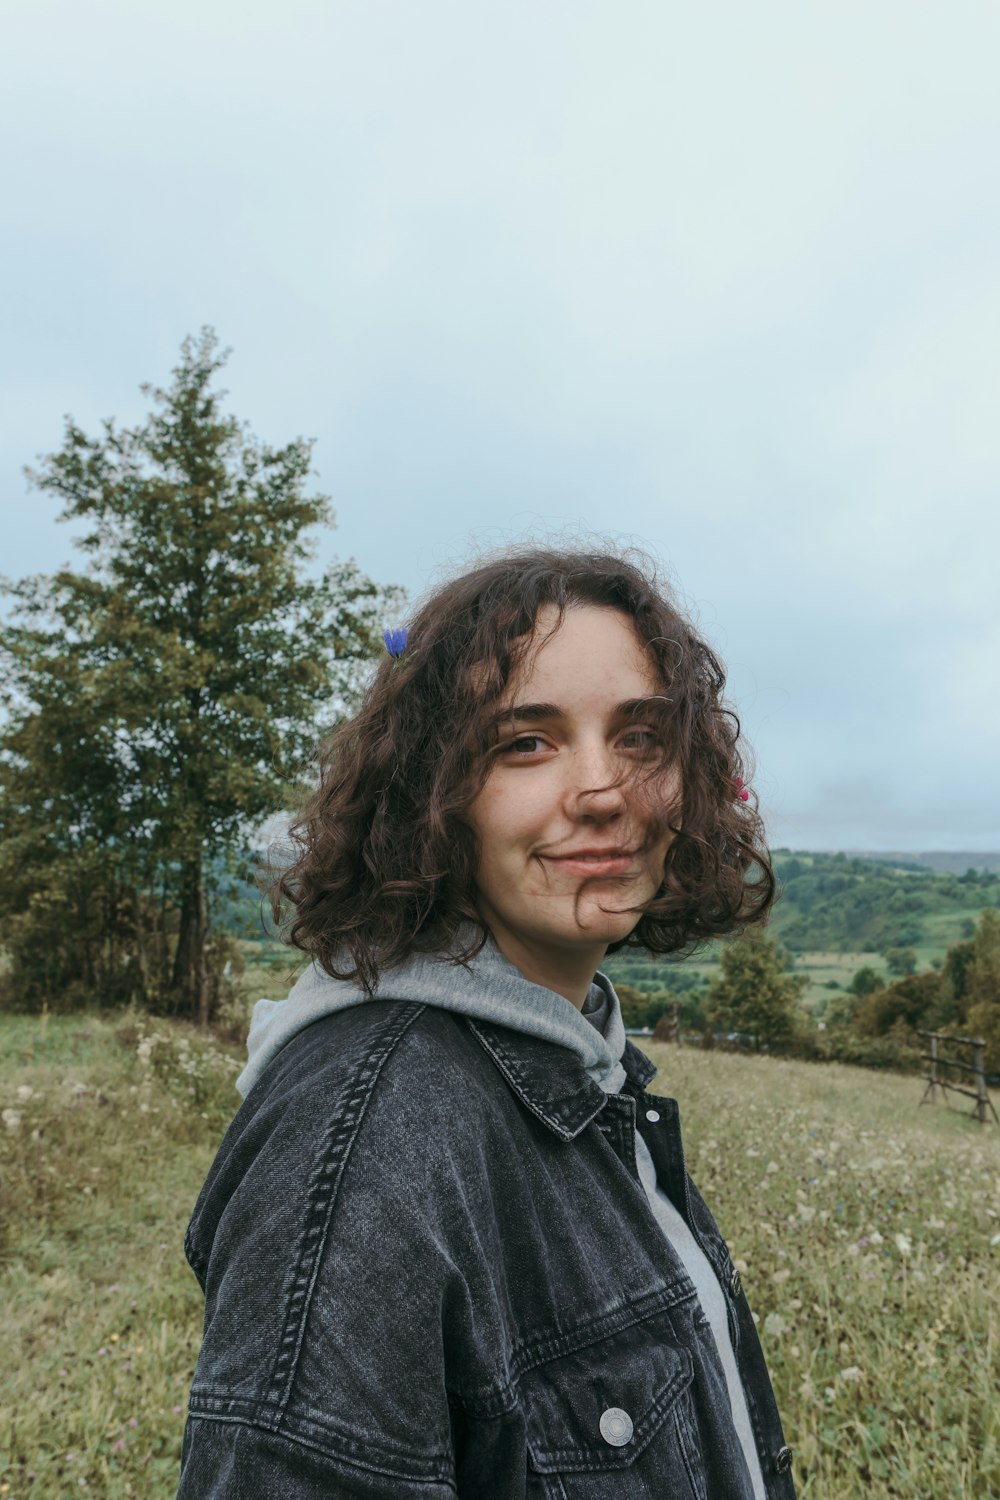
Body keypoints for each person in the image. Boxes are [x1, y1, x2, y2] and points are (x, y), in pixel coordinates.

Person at [175, 544, 797, 1498]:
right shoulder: (363, 1142)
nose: (603, 791)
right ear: (432, 795)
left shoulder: (577, 1059)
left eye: (639, 737)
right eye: (526, 743)